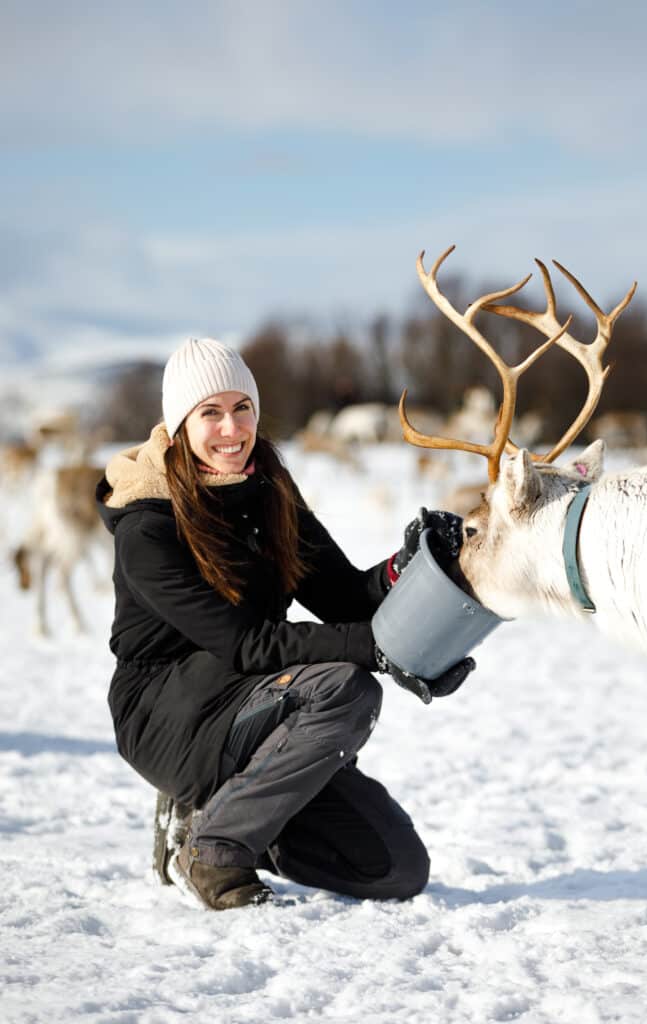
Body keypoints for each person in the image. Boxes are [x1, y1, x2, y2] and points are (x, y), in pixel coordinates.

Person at [96, 337, 473, 910]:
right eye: (210, 413)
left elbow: (344, 596)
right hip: (167, 712)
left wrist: (413, 569)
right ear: (178, 426)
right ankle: (214, 850)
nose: (231, 428)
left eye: (242, 408)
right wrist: (381, 651)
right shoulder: (147, 527)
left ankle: (227, 815)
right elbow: (247, 644)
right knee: (344, 689)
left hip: (253, 703)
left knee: (395, 868)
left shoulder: (267, 488)